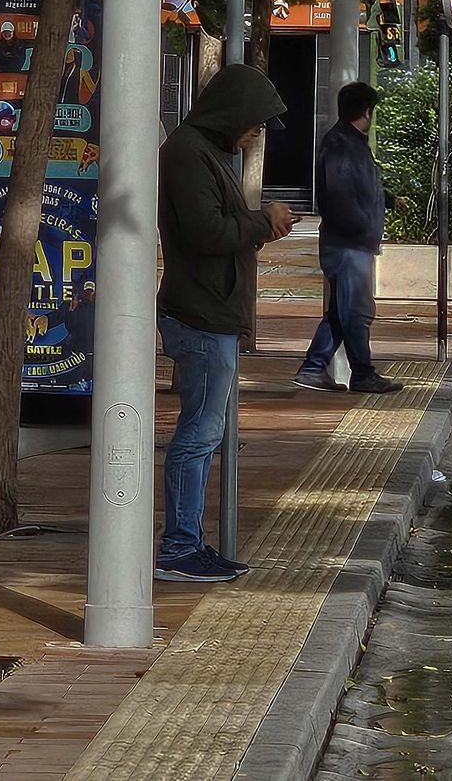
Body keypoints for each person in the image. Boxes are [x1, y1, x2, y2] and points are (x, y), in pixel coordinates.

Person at [156, 62, 295, 582]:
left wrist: (259, 224)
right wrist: (263, 222)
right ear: (233, 113)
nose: (256, 134)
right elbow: (206, 232)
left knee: (204, 432)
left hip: (211, 310)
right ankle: (178, 547)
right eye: (254, 123)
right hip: (201, 314)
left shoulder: (205, 152)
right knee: (198, 434)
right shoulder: (189, 154)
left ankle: (188, 541)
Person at [294, 81, 400, 395]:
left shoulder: (347, 142)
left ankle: (313, 367)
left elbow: (360, 189)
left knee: (343, 312)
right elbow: (343, 196)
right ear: (367, 111)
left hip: (349, 241)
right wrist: (365, 229)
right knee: (357, 311)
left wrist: (389, 201)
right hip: (349, 244)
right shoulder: (343, 144)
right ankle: (363, 373)